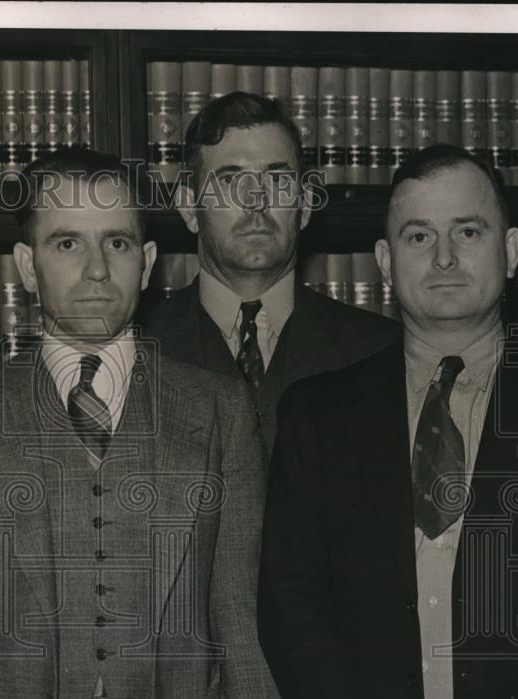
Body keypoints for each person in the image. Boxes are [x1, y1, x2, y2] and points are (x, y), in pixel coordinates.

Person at [0, 149, 282, 699]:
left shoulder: (220, 412)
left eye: (118, 244)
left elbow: (246, 640)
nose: (97, 271)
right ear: (27, 265)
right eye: (67, 244)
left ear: (149, 263)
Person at [258, 145, 518, 699]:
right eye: (419, 235)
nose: (444, 258)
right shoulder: (316, 415)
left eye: (467, 232)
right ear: (386, 262)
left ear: (509, 251)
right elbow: (291, 608)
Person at [143, 92, 399, 456]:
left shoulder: (380, 352)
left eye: (277, 180)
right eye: (231, 181)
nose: (256, 199)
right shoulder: (137, 353)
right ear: (188, 209)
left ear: (306, 205)